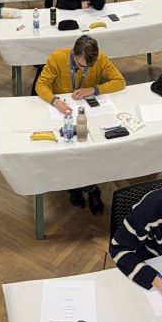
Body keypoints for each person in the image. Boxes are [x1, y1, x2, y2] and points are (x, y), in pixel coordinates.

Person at [35, 35, 126, 213]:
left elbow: (120, 81)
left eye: (88, 67)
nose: (83, 69)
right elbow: (41, 85)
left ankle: (90, 186)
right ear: (74, 53)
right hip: (62, 112)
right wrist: (55, 101)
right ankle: (76, 186)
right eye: (80, 65)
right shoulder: (57, 57)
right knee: (69, 146)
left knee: (92, 145)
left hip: (88, 112)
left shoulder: (101, 58)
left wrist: (95, 89)